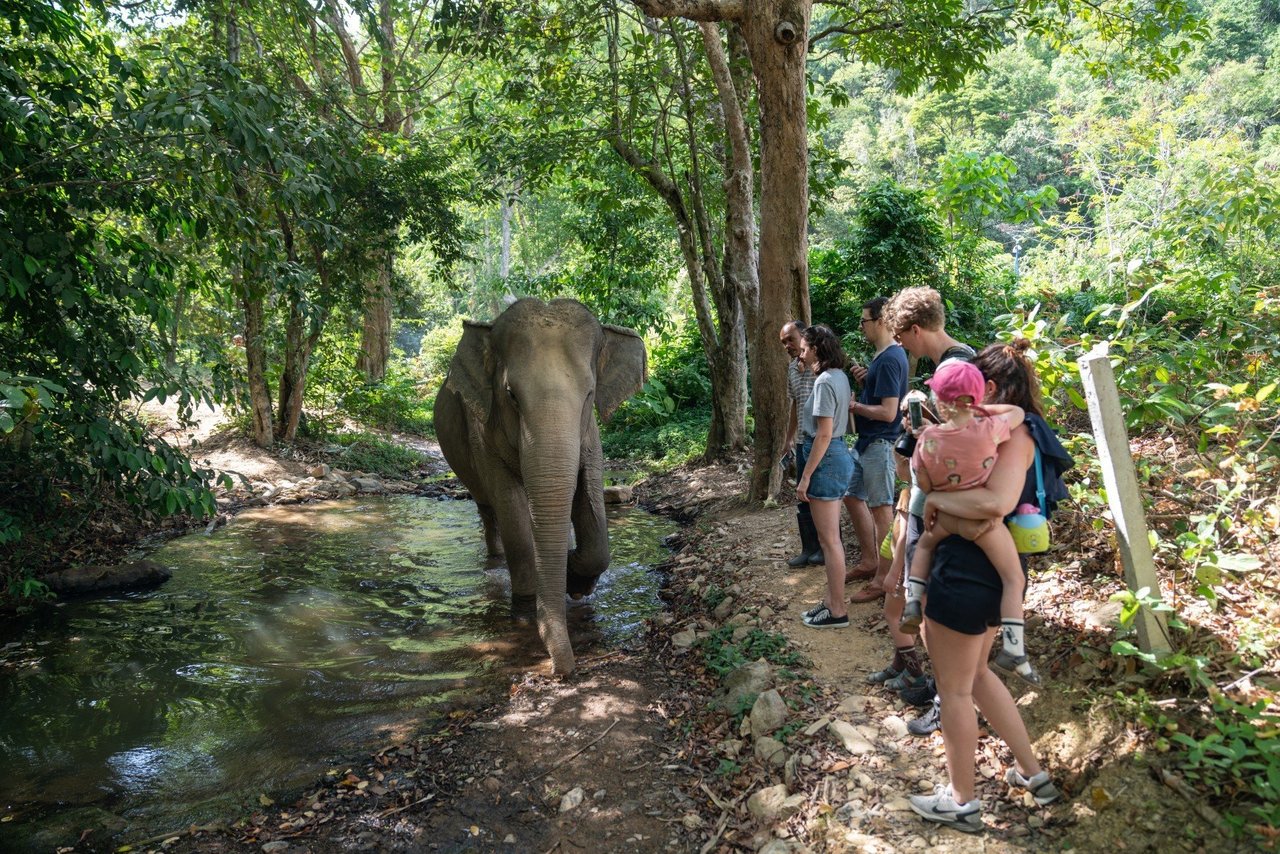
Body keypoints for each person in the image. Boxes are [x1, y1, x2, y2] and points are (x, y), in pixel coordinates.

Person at [906, 340, 1073, 833]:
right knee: (977, 677)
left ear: (993, 389)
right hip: (988, 570)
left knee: (954, 691)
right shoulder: (1012, 431)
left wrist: (934, 496)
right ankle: (1033, 773)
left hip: (965, 570)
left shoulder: (1009, 437)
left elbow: (994, 503)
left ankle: (961, 802)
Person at [865, 287, 975, 705]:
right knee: (907, 594)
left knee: (922, 601)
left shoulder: (956, 366)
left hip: (938, 506)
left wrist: (920, 434)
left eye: (901, 337)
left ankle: (945, 696)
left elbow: (963, 443)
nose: (901, 346)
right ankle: (924, 677)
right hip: (924, 500)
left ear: (914, 330)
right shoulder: (955, 362)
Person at [898, 360, 1038, 684]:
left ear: (938, 400)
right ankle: (1014, 648)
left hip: (946, 520)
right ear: (979, 396)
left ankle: (912, 603)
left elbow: (924, 483)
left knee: (923, 548)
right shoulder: (989, 429)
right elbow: (1018, 414)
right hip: (983, 522)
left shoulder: (928, 438)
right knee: (1013, 577)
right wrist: (980, 411)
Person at [843, 297, 908, 601]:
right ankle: (870, 561)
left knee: (882, 509)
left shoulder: (892, 358)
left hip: (881, 443)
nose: (861, 326)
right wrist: (868, 379)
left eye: (864, 320)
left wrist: (854, 405)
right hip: (867, 443)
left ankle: (885, 578)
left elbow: (889, 412)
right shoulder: (882, 358)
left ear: (881, 321)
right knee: (853, 495)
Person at [794, 325, 855, 629]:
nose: (800, 354)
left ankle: (838, 610)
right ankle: (832, 600)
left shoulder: (824, 382)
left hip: (826, 458)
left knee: (829, 541)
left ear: (817, 349)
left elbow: (824, 434)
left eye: (804, 348)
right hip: (838, 455)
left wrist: (805, 477)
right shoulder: (840, 377)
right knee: (830, 539)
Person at [781, 320, 822, 568]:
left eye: (790, 339)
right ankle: (809, 549)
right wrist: (788, 437)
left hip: (821, 440)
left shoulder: (821, 364)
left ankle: (825, 549)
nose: (787, 345)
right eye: (784, 342)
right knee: (803, 496)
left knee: (821, 496)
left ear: (804, 337)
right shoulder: (791, 369)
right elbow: (795, 403)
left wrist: (809, 364)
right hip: (801, 440)